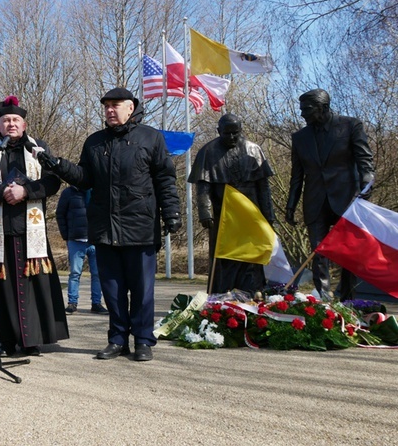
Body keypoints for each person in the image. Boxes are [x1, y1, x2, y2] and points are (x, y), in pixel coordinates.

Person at [36, 87, 181, 362]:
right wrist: (56, 165)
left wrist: (172, 213)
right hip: (104, 229)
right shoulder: (94, 142)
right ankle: (117, 340)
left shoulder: (151, 138)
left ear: (131, 107)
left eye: (116, 105)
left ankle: (142, 341)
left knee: (142, 291)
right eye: (106, 106)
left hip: (141, 226)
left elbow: (165, 179)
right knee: (112, 291)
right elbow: (84, 178)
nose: (110, 110)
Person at [0, 96, 69, 356]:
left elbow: (53, 181)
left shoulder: (38, 148)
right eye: (6, 120)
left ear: (24, 125)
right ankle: (5, 341)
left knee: (34, 285)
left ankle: (31, 340)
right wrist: (3, 191)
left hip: (30, 229)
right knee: (2, 289)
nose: (11, 124)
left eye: (15, 120)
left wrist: (26, 192)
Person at [286, 88, 374, 301]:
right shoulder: (300, 137)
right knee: (319, 251)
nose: (302, 114)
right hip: (315, 199)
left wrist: (367, 181)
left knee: (349, 253)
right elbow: (297, 175)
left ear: (323, 107)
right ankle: (324, 298)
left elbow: (364, 159)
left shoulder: (350, 126)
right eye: (301, 110)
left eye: (307, 109)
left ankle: (348, 298)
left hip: (347, 198)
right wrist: (291, 204)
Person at [188, 113, 275, 295]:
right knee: (223, 257)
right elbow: (203, 186)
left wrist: (269, 215)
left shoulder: (253, 150)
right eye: (227, 133)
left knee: (251, 256)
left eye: (235, 133)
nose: (232, 137)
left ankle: (252, 291)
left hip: (251, 214)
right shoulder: (208, 152)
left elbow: (263, 187)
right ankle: (221, 294)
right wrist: (205, 211)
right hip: (223, 214)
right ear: (219, 131)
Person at [55, 186, 107, 314]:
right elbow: (60, 214)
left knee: (97, 274)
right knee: (75, 273)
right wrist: (66, 236)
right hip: (75, 240)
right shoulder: (68, 192)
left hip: (95, 240)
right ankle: (72, 303)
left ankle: (96, 303)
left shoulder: (98, 190)